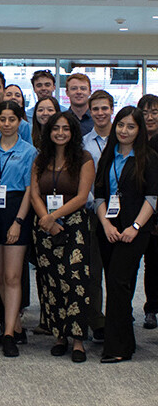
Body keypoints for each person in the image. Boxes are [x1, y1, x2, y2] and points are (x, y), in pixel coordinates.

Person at [95, 106, 158, 363]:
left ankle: (117, 347)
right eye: (120, 125)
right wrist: (106, 225)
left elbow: (153, 197)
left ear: (139, 130)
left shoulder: (149, 157)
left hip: (135, 229)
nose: (124, 130)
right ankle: (126, 341)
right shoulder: (108, 156)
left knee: (119, 283)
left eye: (131, 126)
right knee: (117, 282)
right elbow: (99, 195)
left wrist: (135, 227)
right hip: (109, 229)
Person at [31, 111, 94, 363]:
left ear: (73, 132)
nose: (60, 133)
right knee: (51, 281)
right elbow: (34, 193)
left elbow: (81, 196)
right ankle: (60, 336)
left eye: (66, 129)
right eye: (56, 128)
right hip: (45, 227)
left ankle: (78, 339)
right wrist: (46, 220)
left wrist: (53, 216)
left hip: (74, 224)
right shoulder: (40, 158)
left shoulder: (84, 158)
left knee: (75, 279)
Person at [0, 101, 36, 357]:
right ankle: (14, 326)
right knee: (0, 276)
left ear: (19, 122)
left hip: (15, 209)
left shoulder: (29, 152)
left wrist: (19, 221)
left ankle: (9, 334)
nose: (6, 123)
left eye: (11, 119)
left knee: (13, 277)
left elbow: (29, 191)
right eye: (2, 119)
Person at [82, 90, 114, 344]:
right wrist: (96, 205)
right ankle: (98, 322)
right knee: (93, 271)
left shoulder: (125, 138)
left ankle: (118, 318)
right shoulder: (85, 143)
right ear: (90, 112)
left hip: (124, 213)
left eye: (105, 108)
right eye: (96, 109)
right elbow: (85, 183)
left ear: (112, 109)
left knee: (119, 271)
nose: (101, 113)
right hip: (93, 212)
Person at [138, 94, 158, 329]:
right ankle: (151, 308)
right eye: (145, 113)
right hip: (140, 211)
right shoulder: (136, 140)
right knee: (150, 264)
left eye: (154, 112)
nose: (150, 117)